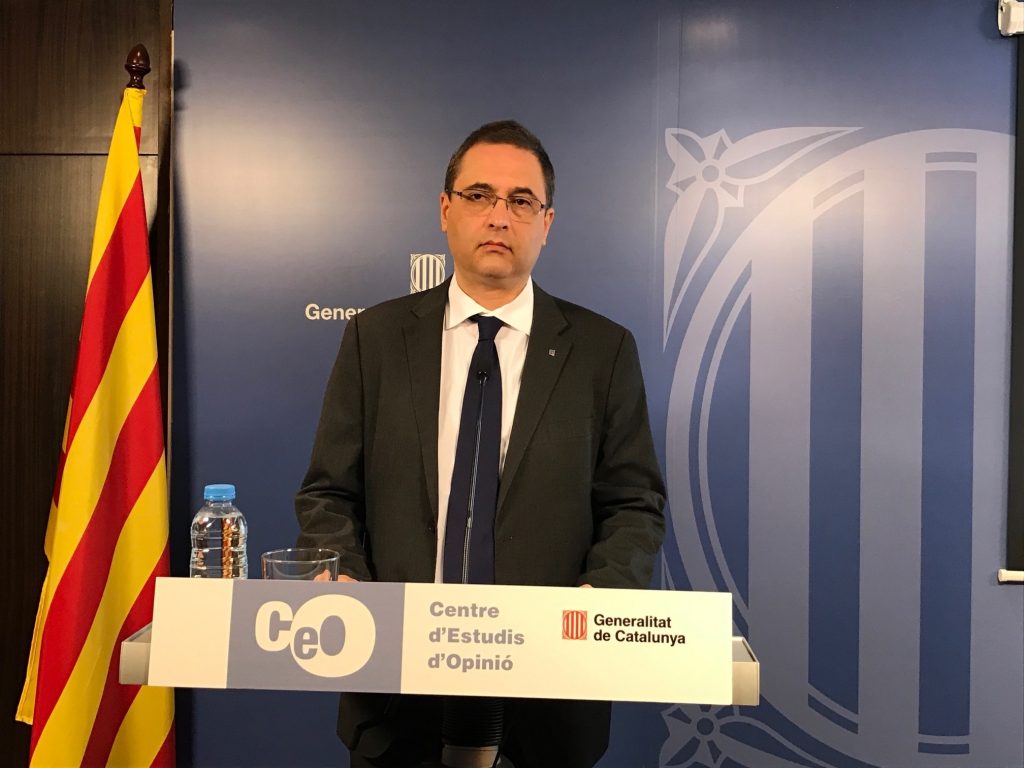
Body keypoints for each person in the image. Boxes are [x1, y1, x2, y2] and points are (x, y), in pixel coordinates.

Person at [295, 120, 666, 768]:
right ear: (445, 210)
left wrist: (602, 596)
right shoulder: (374, 338)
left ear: (547, 223)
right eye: (479, 195)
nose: (499, 216)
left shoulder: (603, 351)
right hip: (395, 694)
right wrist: (342, 574)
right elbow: (329, 492)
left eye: (521, 201)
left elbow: (634, 504)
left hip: (550, 699)